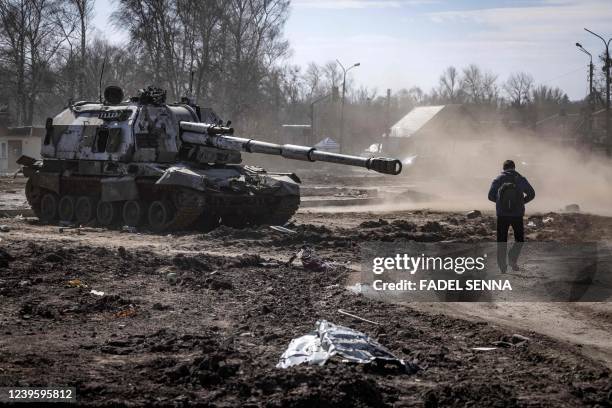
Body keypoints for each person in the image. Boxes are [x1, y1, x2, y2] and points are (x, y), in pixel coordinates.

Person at [488, 160, 535, 271]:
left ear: (504, 168)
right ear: (514, 168)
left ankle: (502, 267)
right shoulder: (520, 178)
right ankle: (512, 258)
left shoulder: (498, 179)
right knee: (519, 240)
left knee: (501, 240)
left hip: (502, 215)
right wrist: (521, 203)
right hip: (517, 215)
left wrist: (501, 203)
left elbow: (490, 196)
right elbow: (532, 194)